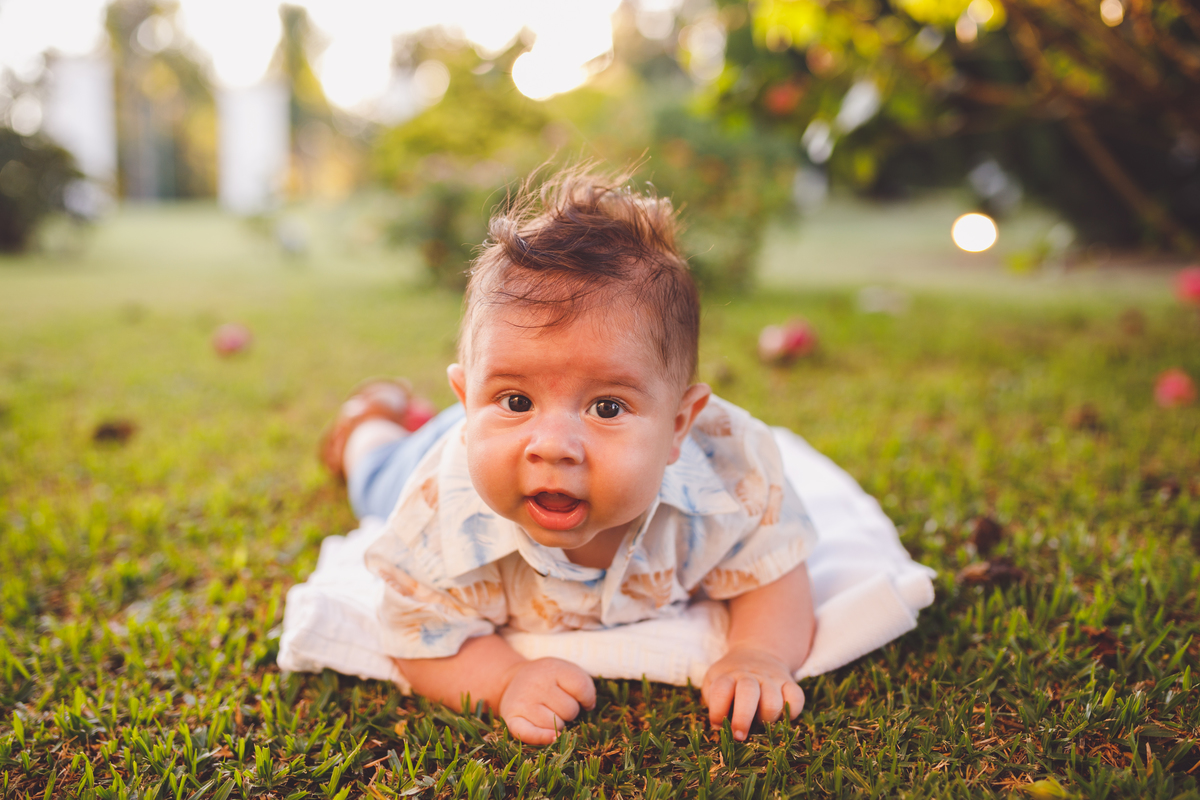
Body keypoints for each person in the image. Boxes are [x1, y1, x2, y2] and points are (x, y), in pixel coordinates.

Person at [319, 167, 817, 746]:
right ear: (468, 397)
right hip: (430, 454)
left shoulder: (732, 480)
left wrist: (757, 652)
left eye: (607, 407)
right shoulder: (437, 516)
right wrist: (504, 680)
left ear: (679, 424)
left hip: (489, 435)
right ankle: (370, 418)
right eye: (515, 398)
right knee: (373, 478)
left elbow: (773, 570)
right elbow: (417, 632)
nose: (552, 445)